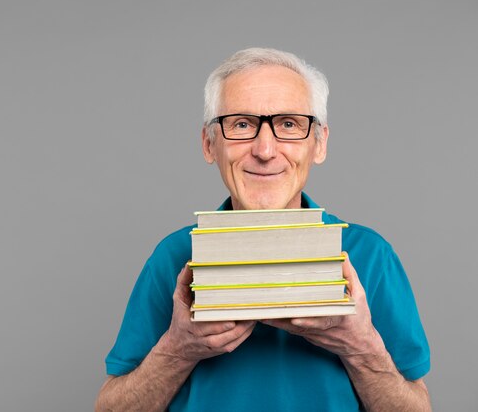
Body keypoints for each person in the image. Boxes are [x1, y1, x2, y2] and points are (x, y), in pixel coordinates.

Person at [95, 48, 431, 411]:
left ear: (319, 143)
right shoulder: (174, 256)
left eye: (289, 124)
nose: (265, 149)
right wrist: (177, 351)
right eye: (241, 124)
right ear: (210, 144)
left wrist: (362, 348)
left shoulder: (371, 255)